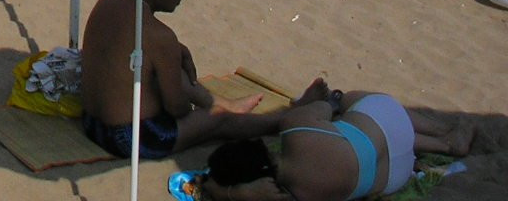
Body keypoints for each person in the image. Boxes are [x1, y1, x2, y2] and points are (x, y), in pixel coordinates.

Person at [80, 0, 293, 160]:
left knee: (161, 67)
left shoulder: (108, 0)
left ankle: (223, 102)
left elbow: (128, 42)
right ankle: (284, 118)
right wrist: (190, 106)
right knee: (220, 120)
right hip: (130, 139)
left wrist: (177, 51)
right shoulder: (160, 36)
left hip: (91, 123)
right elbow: (177, 109)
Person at [201, 92, 472, 201]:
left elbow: (210, 187)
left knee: (369, 138)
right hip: (391, 128)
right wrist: (334, 101)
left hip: (395, 177)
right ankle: (444, 136)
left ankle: (443, 145)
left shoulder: (295, 197)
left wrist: (234, 194)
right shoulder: (295, 128)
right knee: (352, 106)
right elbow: (323, 106)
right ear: (261, 147)